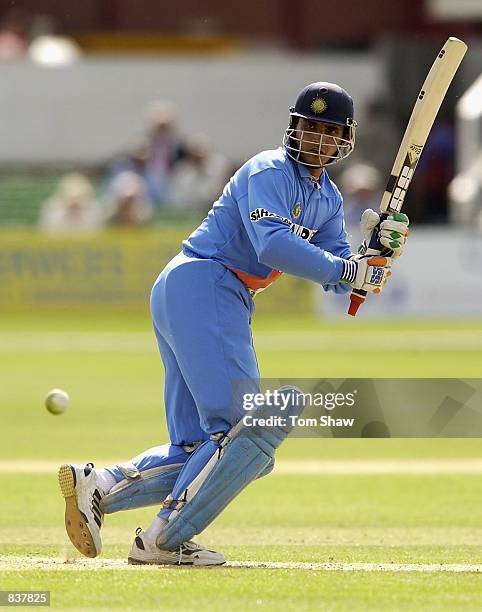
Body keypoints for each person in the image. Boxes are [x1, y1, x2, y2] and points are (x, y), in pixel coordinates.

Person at [58, 82, 409, 566]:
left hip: (204, 291)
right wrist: (349, 270)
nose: (316, 138)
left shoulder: (326, 198)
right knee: (244, 434)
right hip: (207, 282)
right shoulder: (268, 169)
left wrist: (375, 255)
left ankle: (100, 485)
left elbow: (344, 277)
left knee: (204, 448)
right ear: (294, 127)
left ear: (342, 139)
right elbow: (273, 246)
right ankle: (165, 538)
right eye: (309, 126)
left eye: (328, 130)